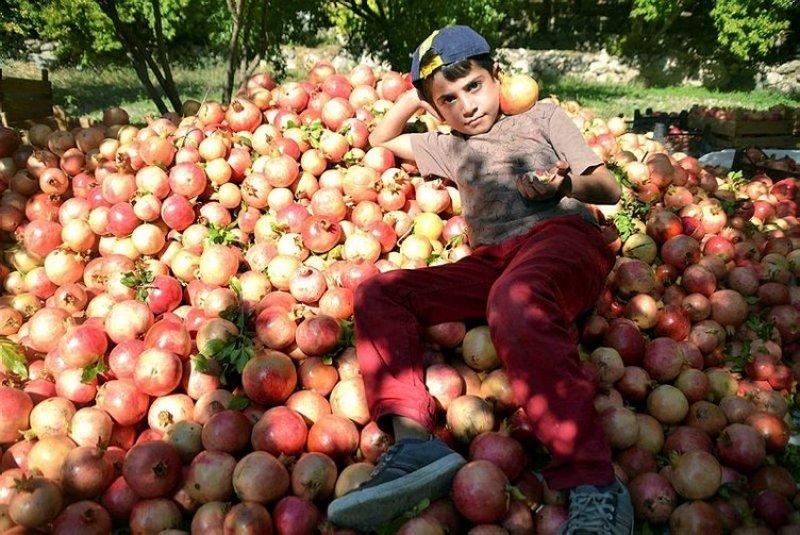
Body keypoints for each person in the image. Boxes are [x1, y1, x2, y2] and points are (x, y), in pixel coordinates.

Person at [327, 25, 633, 534]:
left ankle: (594, 481)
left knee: (514, 302)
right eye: (448, 98)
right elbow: (379, 140)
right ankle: (414, 445)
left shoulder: (543, 116)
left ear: (497, 78)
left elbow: (609, 187)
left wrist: (562, 184)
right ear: (436, 108)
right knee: (379, 293)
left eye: (474, 86)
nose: (466, 105)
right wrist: (414, 98)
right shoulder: (448, 147)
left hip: (561, 240)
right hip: (493, 261)